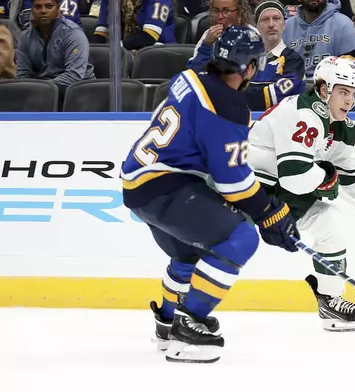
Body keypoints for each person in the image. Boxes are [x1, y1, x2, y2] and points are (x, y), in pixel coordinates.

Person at [120, 26, 301, 363]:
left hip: (137, 184)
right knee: (241, 239)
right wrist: (270, 212)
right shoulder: (227, 108)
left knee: (189, 253)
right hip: (167, 186)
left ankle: (167, 320)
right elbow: (233, 183)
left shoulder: (191, 74)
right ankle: (190, 326)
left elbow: (211, 76)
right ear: (250, 68)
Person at [248, 56, 355, 332]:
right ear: (324, 89)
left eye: (353, 94)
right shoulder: (303, 112)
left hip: (279, 192)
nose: (349, 101)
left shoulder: (339, 125)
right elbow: (294, 175)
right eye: (343, 92)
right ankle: (181, 304)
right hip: (248, 190)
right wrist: (323, 178)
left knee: (331, 223)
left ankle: (330, 301)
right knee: (218, 244)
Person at [17, 0, 95, 96]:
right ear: (32, 9)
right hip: (41, 95)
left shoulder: (73, 33)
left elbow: (74, 75)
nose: (43, 11)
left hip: (77, 94)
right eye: (37, 7)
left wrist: (40, 89)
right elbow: (22, 75)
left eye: (49, 6)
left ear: (58, 8)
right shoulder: (25, 37)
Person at [92, 0, 177, 50]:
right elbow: (101, 32)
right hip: (123, 51)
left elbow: (148, 37)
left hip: (158, 51)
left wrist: (115, 47)